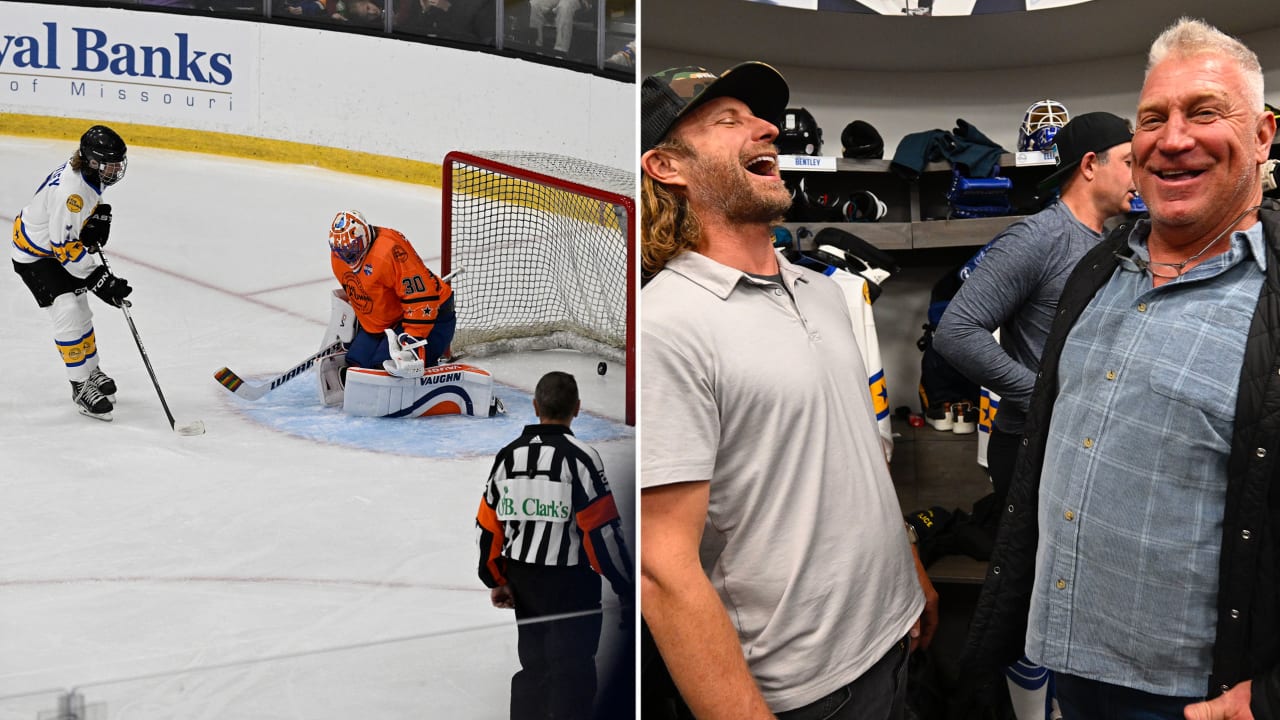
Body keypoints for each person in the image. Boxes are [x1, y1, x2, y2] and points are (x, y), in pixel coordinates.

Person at [963, 17, 1280, 719]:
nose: (1172, 139)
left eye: (1204, 113)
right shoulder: (1096, 271)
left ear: (1262, 135)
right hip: (1069, 667)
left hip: (1200, 698)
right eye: (1151, 119)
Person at [639, 61, 938, 720]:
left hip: (895, 635)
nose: (768, 127)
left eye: (762, 117)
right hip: (806, 694)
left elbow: (855, 448)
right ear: (667, 167)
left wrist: (907, 566)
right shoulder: (665, 325)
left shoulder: (823, 291)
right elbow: (661, 569)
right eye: (729, 121)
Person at [934, 111, 1135, 720]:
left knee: (1077, 587)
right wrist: (1042, 394)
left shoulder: (1117, 238)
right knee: (1037, 591)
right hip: (1033, 444)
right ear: (1090, 164)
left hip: (1085, 442)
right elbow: (957, 331)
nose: (1143, 172)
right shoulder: (1039, 238)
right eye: (1129, 159)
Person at [475, 371, 634, 720]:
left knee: (534, 665)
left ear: (534, 406)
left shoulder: (508, 458)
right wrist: (626, 588)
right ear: (577, 408)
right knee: (572, 671)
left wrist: (496, 577)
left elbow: (487, 527)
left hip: (523, 580)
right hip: (571, 584)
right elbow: (602, 532)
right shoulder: (581, 459)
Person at [11, 124, 133, 421]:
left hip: (52, 250)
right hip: (34, 256)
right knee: (67, 309)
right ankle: (80, 386)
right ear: (92, 161)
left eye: (118, 163)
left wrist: (97, 217)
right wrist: (101, 280)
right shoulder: (72, 192)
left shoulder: (88, 174)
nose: (116, 169)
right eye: (110, 164)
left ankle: (92, 372)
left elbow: (80, 217)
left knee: (81, 309)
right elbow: (64, 247)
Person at [326, 209, 454, 377]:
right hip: (390, 321)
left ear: (363, 236)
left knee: (385, 369)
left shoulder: (390, 250)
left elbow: (422, 300)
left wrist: (411, 341)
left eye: (352, 248)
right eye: (342, 250)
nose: (347, 255)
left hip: (433, 318)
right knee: (356, 365)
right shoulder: (339, 256)